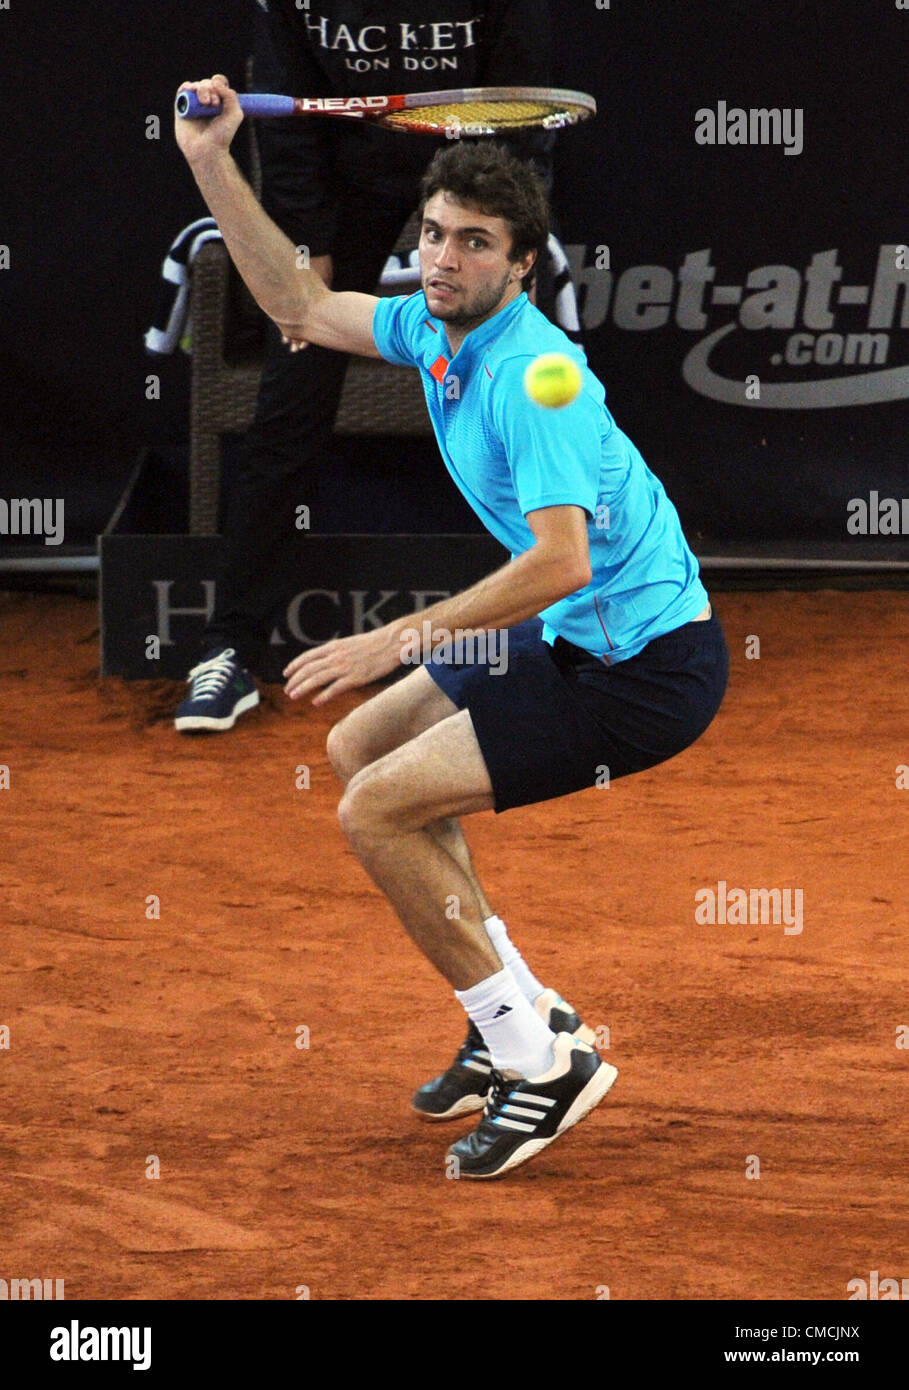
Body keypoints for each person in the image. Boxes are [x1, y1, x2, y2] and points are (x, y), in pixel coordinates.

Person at [174, 76, 729, 1178]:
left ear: (522, 266)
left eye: (474, 244)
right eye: (432, 235)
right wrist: (210, 158)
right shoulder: (439, 336)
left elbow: (562, 559)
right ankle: (516, 1008)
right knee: (358, 746)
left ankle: (541, 1061)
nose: (441, 260)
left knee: (373, 811)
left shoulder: (537, 377)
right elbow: (298, 306)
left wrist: (400, 638)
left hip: (641, 668)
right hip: (575, 632)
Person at [175, 0, 556, 733]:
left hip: (471, 186)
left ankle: (555, 635)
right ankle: (229, 649)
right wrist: (305, 241)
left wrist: (512, 250)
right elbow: (289, 118)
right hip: (342, 184)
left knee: (516, 403)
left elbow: (523, 110)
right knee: (290, 402)